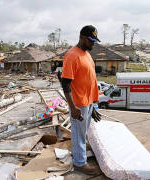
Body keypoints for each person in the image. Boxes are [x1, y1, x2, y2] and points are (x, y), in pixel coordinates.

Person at [61, 25, 102, 175]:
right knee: (78, 134)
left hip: (88, 102)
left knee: (82, 132)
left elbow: (90, 80)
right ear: (82, 38)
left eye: (94, 41)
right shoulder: (72, 55)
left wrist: (93, 107)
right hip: (79, 104)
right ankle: (79, 163)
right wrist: (73, 108)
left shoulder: (87, 54)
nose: (93, 43)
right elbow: (65, 83)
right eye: (91, 40)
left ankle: (80, 154)